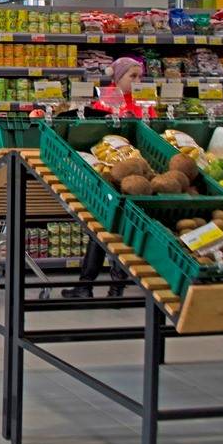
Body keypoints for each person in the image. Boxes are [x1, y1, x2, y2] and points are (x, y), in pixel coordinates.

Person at [62, 56, 153, 299]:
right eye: (132, 76)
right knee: (101, 226)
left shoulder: (145, 101)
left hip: (137, 174)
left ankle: (104, 286)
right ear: (118, 77)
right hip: (106, 175)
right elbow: (95, 135)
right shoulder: (105, 100)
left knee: (113, 228)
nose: (138, 81)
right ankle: (98, 286)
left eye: (140, 76)